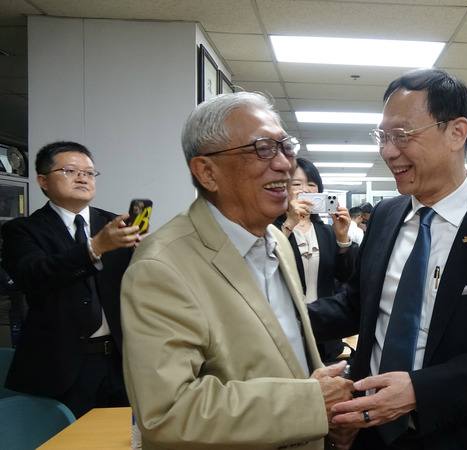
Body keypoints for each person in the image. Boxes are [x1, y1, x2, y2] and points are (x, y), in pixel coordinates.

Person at [308, 69, 467, 450]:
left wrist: (420, 391)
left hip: (462, 434)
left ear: (456, 133)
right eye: (382, 137)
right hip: (369, 431)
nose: (388, 151)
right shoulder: (386, 216)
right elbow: (357, 304)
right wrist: (280, 318)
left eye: (402, 135)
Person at [121, 92, 353, 449]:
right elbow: (168, 413)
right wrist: (310, 404)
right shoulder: (161, 267)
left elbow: (278, 356)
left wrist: (322, 402)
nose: (284, 164)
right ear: (207, 172)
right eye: (262, 149)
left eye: (285, 147)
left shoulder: (276, 239)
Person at [1, 141, 140, 417]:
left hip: (119, 360)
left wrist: (146, 254)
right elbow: (34, 275)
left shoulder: (115, 225)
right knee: (67, 435)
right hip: (59, 365)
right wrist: (94, 248)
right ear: (43, 181)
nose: (82, 178)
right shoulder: (23, 230)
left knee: (124, 434)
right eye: (70, 171)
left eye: (89, 173)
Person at [277, 157, 357, 362]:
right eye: (296, 184)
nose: (305, 190)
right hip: (286, 326)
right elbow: (267, 264)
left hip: (324, 327)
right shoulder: (273, 228)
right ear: (284, 188)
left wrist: (342, 238)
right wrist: (289, 223)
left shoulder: (326, 231)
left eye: (312, 184)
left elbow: (346, 277)